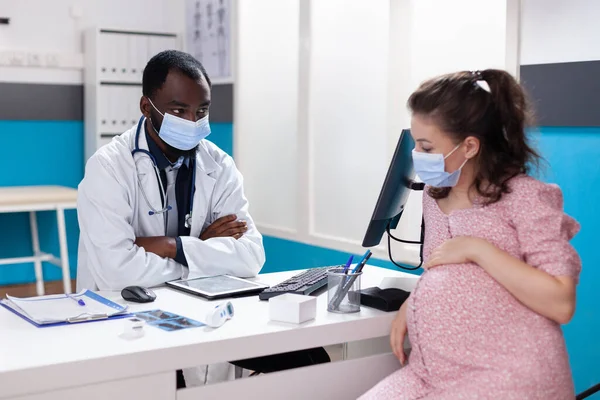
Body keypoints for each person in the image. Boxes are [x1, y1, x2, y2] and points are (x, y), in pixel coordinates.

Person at [360, 70, 581, 399]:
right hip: (431, 371)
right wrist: (415, 302)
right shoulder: (435, 194)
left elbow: (561, 303)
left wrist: (480, 250)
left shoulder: (526, 198)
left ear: (470, 146)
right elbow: (438, 266)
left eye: (426, 146)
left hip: (508, 376)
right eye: (415, 144)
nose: (416, 155)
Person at [77, 50, 265, 385]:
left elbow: (251, 256)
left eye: (202, 110)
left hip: (198, 311)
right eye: (179, 110)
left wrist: (169, 245)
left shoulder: (219, 166)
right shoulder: (108, 168)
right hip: (123, 318)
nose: (193, 122)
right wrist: (202, 250)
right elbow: (117, 271)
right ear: (147, 107)